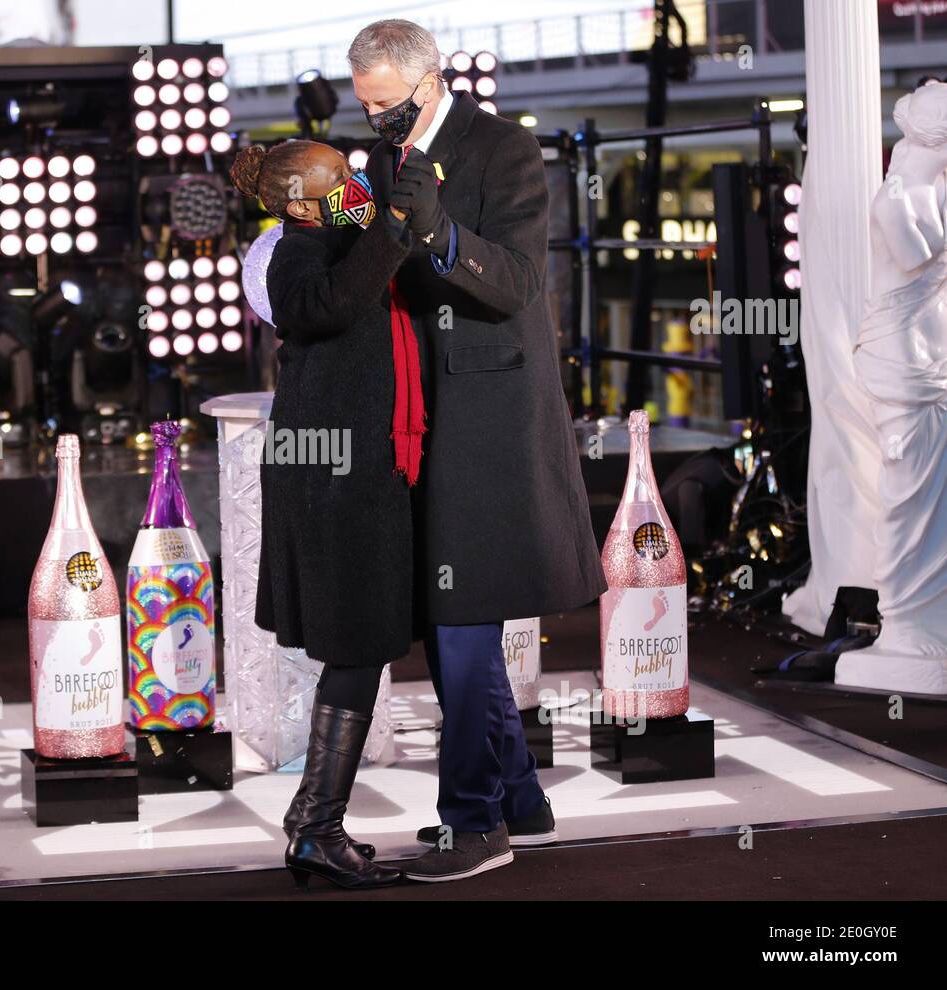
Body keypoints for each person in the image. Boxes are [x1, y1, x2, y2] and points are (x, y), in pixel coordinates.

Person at [347, 19, 607, 883]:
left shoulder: (506, 150)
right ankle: (520, 800)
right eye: (366, 105)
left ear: (428, 84)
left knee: (461, 625)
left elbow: (522, 281)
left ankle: (473, 823)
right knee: (450, 620)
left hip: (491, 415)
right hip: (414, 414)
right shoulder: (378, 161)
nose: (376, 118)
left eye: (386, 105)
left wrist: (443, 236)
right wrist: (323, 217)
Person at [230, 139, 418, 889]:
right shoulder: (293, 256)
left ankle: (315, 824)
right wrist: (390, 226)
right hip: (333, 478)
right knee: (357, 644)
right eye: (339, 179)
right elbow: (328, 308)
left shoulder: (334, 236)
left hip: (354, 472)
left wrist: (384, 222)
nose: (356, 183)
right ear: (303, 200)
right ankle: (315, 827)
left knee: (361, 644)